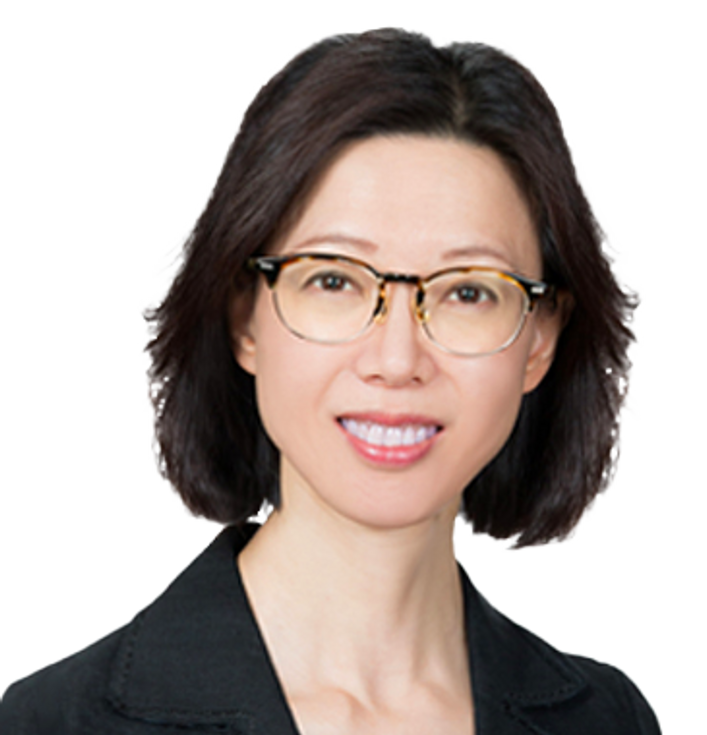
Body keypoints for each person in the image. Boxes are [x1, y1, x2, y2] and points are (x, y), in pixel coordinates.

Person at [0, 26, 658, 734]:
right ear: (243, 318)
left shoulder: (609, 721)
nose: (397, 360)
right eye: (333, 280)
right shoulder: (46, 723)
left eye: (468, 291)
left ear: (540, 338)